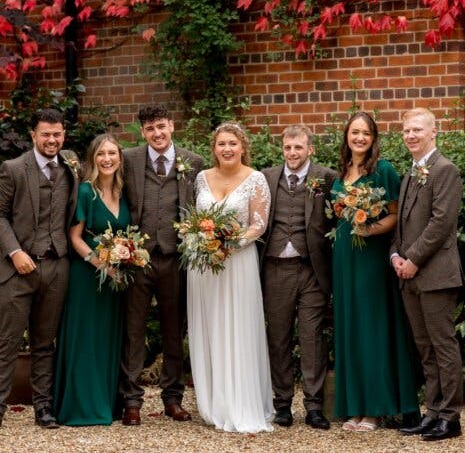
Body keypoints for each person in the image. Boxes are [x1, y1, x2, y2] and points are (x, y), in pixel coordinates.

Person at [0, 108, 78, 431]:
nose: (52, 140)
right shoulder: (13, 169)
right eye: (46, 134)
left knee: (44, 342)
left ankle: (44, 407)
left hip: (56, 267)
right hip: (17, 269)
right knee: (8, 340)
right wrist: (15, 251)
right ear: (33, 136)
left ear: (64, 136)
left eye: (57, 134)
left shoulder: (70, 169)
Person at [331, 111, 420, 432]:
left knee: (372, 329)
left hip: (370, 256)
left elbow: (396, 215)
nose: (359, 138)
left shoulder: (383, 171)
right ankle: (354, 408)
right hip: (344, 257)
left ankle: (375, 410)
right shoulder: (342, 171)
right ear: (347, 136)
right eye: (354, 132)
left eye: (365, 134)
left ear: (373, 138)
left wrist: (370, 230)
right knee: (350, 328)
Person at [119, 104, 204, 425]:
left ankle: (173, 398)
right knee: (133, 330)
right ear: (143, 132)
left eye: (162, 127)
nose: (157, 133)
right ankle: (131, 400)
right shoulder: (128, 160)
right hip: (137, 258)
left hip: (175, 259)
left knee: (173, 330)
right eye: (151, 129)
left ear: (172, 126)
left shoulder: (193, 163)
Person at [187, 122, 274, 433]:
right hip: (204, 266)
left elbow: (258, 224)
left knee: (237, 327)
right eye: (221, 144)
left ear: (242, 147)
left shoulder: (256, 179)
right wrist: (204, 243)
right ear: (214, 148)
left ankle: (241, 402)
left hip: (238, 263)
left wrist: (229, 245)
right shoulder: (200, 179)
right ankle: (214, 403)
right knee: (210, 327)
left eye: (232, 144)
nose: (227, 149)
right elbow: (193, 220)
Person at [391, 107, 465, 441]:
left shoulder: (444, 170)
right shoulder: (409, 174)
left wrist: (414, 260)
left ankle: (450, 417)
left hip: (435, 275)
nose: (411, 136)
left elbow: (441, 223)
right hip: (409, 274)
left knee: (443, 345)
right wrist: (395, 254)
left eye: (417, 130)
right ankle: (433, 411)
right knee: (425, 348)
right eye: (407, 130)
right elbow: (403, 223)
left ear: (434, 132)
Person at [259, 125, 337, 430]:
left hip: (312, 269)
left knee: (311, 337)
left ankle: (314, 406)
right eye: (288, 148)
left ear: (310, 150)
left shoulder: (326, 178)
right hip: (276, 267)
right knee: (278, 337)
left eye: (299, 148)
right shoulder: (266, 177)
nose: (293, 153)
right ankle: (282, 404)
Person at [53, 134, 130, 425]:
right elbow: (74, 237)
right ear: (93, 158)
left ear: (120, 158)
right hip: (87, 277)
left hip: (114, 280)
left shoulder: (123, 192)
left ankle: (105, 404)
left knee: (106, 340)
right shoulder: (86, 192)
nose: (107, 159)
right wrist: (102, 265)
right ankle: (80, 408)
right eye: (101, 154)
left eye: (112, 153)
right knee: (85, 339)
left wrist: (123, 261)